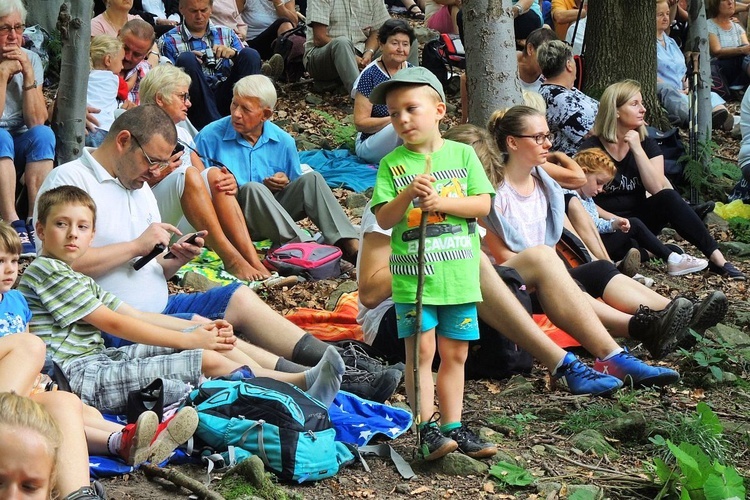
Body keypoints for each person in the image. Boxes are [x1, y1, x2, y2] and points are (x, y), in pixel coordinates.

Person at [35, 105, 400, 404]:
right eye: (151, 161)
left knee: (239, 298)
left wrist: (174, 259)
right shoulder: (70, 184)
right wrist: (136, 245)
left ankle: (341, 365)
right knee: (211, 333)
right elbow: (61, 265)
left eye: (163, 164)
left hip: (154, 307)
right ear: (123, 141)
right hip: (113, 326)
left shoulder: (140, 188)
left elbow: (142, 266)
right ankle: (317, 380)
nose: (155, 173)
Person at [21, 185, 345, 414]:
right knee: (202, 358)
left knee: (202, 345)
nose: (72, 234)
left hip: (99, 361)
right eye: (61, 225)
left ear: (92, 235)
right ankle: (299, 387)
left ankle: (301, 383)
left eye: (81, 227)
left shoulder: (75, 276)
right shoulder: (46, 271)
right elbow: (116, 322)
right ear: (39, 229)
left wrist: (193, 331)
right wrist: (187, 339)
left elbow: (134, 314)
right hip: (75, 378)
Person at [481, 106, 690, 385]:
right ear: (512, 142)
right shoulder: (494, 193)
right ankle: (643, 328)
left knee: (599, 269)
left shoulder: (544, 185)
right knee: (562, 272)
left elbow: (563, 221)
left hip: (544, 270)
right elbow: (505, 257)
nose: (548, 143)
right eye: (539, 137)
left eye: (548, 135)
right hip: (512, 285)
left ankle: (674, 313)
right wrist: (554, 271)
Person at [0, 221, 196, 500]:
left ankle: (119, 447)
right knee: (31, 346)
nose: (9, 269)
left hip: (22, 389)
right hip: (7, 393)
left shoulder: (17, 300)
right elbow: (25, 347)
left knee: (69, 404)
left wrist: (35, 376)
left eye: (14, 261)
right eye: (0, 261)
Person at [369, 67, 498, 461]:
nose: (402, 119)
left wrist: (440, 203)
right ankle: (426, 428)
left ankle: (453, 426)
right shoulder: (392, 164)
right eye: (393, 113)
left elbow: (483, 204)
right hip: (413, 281)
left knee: (455, 353)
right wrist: (409, 192)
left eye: (411, 108)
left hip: (458, 277)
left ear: (439, 109)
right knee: (420, 354)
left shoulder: (462, 155)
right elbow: (385, 219)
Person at [579, 79, 747, 280]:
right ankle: (650, 252)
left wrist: (637, 149)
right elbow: (581, 198)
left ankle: (719, 260)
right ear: (615, 110)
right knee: (619, 242)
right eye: (635, 104)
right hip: (607, 225)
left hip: (641, 221)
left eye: (642, 104)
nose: (643, 109)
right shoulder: (592, 147)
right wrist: (614, 221)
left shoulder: (646, 144)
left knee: (668, 197)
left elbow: (657, 187)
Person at [195, 75, 361, 259]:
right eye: (234, 104)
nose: (236, 114)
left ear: (265, 115)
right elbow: (195, 192)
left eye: (245, 109)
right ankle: (301, 247)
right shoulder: (209, 137)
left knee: (312, 179)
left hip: (272, 219)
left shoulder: (283, 141)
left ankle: (349, 245)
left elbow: (298, 189)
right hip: (232, 220)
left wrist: (284, 180)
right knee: (252, 188)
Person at [140, 64, 271, 281]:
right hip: (150, 219)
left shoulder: (181, 133)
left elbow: (204, 179)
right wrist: (154, 175)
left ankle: (252, 259)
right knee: (188, 174)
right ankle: (232, 260)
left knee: (215, 175)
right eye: (182, 97)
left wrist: (229, 184)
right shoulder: (137, 129)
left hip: (184, 221)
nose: (189, 103)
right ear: (160, 99)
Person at [570, 148, 710, 276]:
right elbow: (590, 226)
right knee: (635, 224)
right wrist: (613, 225)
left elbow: (596, 223)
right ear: (584, 172)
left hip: (599, 240)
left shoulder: (587, 198)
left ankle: (632, 260)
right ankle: (671, 258)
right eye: (598, 182)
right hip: (589, 243)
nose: (600, 189)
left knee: (630, 240)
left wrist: (614, 224)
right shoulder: (571, 196)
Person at [0, 0, 54, 257]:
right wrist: (2, 75)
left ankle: (35, 222)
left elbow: (37, 122)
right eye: (5, 28)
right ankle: (12, 221)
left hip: (20, 140)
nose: (13, 36)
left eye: (18, 27)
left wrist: (29, 74)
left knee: (43, 135)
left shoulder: (30, 58)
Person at [158, 0, 262, 130]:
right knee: (186, 60)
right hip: (195, 99)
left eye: (203, 10)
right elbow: (167, 83)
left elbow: (250, 63)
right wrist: (188, 64)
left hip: (228, 92)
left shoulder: (227, 33)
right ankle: (216, 128)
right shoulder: (168, 40)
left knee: (250, 54)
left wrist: (234, 55)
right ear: (181, 9)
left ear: (211, 9)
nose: (199, 16)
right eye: (193, 11)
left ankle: (249, 118)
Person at [656, 0, 732, 131]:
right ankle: (704, 121)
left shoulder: (671, 42)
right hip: (668, 91)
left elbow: (682, 69)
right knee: (672, 94)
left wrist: (686, 85)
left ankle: (719, 118)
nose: (665, 18)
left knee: (709, 96)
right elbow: (651, 74)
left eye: (667, 14)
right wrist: (678, 91)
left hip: (683, 89)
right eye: (660, 14)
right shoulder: (646, 47)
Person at [303, 0, 400, 94]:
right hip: (322, 55)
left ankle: (406, 89)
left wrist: (369, 52)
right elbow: (319, 38)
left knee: (399, 42)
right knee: (342, 43)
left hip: (361, 50)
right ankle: (362, 99)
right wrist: (352, 57)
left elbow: (378, 30)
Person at [352, 19, 415, 164]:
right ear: (382, 44)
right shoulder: (370, 74)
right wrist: (394, 118)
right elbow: (360, 123)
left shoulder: (412, 72)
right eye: (395, 43)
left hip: (406, 134)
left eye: (405, 44)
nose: (400, 49)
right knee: (402, 122)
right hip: (371, 142)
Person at [537, 40, 598, 155]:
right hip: (580, 162)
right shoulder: (555, 97)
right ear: (569, 65)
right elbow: (591, 133)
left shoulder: (567, 90)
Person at [87, 35, 128, 148]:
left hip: (84, 126)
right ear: (108, 60)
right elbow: (124, 93)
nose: (123, 66)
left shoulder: (86, 76)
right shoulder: (116, 79)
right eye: (121, 60)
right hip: (103, 128)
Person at [707, 0, 750, 90]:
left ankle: (739, 85)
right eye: (725, 0)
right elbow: (717, 51)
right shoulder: (709, 25)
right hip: (720, 68)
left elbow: (747, 49)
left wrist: (744, 49)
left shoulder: (737, 27)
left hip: (740, 68)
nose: (730, 2)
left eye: (732, 0)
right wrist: (741, 50)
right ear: (716, 4)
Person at [517, 27, 558, 93]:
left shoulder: (552, 75)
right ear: (530, 49)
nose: (549, 63)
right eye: (545, 55)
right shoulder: (506, 63)